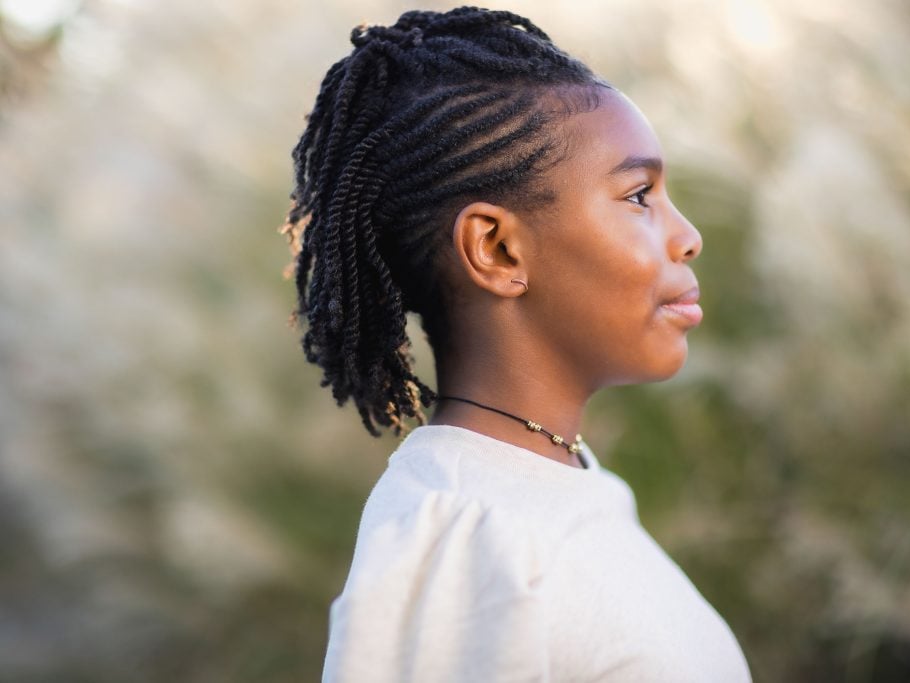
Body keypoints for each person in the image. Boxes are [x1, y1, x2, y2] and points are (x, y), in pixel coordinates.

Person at [282, 6, 751, 681]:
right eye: (640, 195)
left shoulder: (562, 480)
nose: (688, 235)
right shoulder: (463, 540)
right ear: (497, 248)